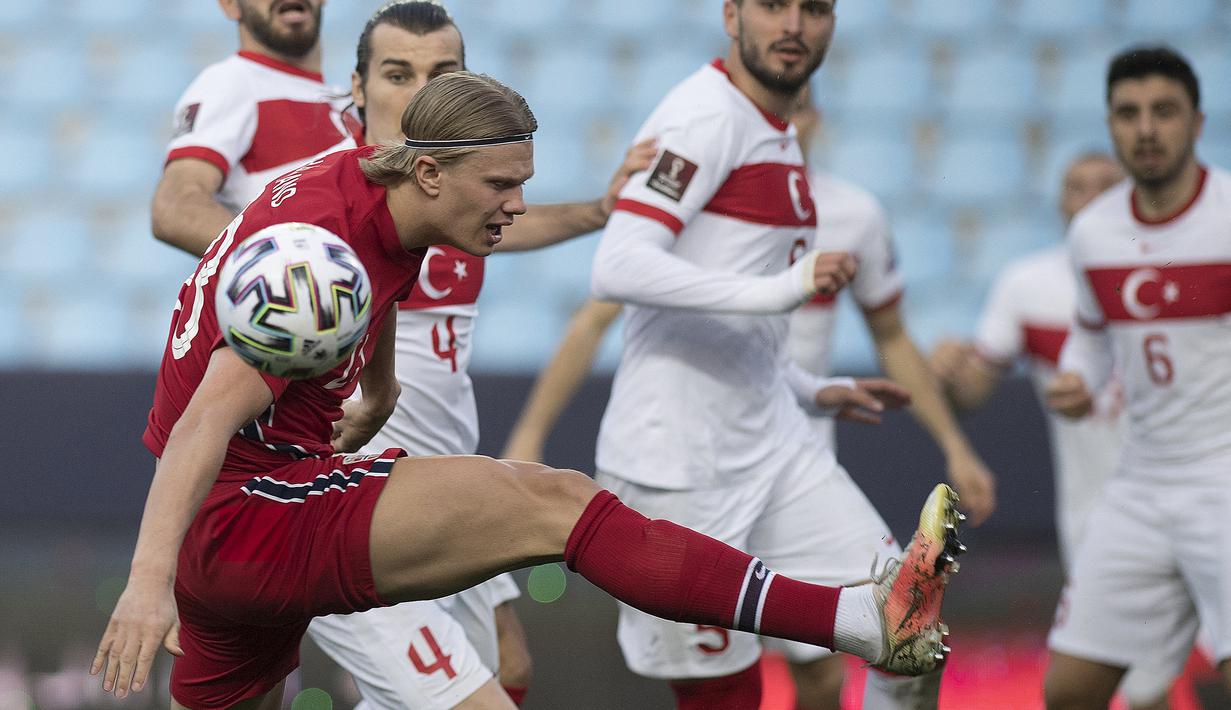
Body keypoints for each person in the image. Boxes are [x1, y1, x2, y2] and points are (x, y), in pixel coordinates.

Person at [91, 72, 963, 709]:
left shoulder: (366, 189)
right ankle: (859, 619)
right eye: (501, 184)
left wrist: (381, 387)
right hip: (251, 515)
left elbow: (379, 279)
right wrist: (146, 581)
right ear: (430, 171)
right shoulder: (319, 252)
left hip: (241, 521)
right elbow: (208, 413)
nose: (514, 206)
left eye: (523, 183)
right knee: (552, 502)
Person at [579, 1, 965, 708]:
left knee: (910, 636)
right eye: (771, 5)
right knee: (726, 696)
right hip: (677, 467)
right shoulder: (704, 117)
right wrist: (785, 287)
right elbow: (619, 266)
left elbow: (724, 305)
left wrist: (808, 388)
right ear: (731, 14)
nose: (792, 24)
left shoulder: (775, 133)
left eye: (812, 8)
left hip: (774, 447)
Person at [304, 4, 654, 709]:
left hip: (445, 464)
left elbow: (509, 222)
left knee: (504, 662)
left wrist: (596, 210)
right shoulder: (333, 195)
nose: (420, 92)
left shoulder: (459, 195)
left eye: (442, 73)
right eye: (398, 74)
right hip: (362, 483)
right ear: (357, 85)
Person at [1042, 46, 1231, 709]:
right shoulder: (1093, 233)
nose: (1145, 129)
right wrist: (1074, 381)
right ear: (1110, 123)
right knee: (1066, 693)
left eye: (1162, 112)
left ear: (1196, 123)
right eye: (1127, 113)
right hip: (1140, 484)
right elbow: (1091, 340)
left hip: (1223, 479)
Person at [929, 152, 1124, 571]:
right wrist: (945, 371)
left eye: (1107, 186)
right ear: (1060, 204)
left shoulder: (1183, 274)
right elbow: (970, 393)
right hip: (1092, 520)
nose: (1091, 199)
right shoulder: (1028, 286)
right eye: (1077, 188)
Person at [151, 0, 359, 257]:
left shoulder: (344, 102)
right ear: (230, 5)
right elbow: (175, 207)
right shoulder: (231, 82)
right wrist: (283, 262)